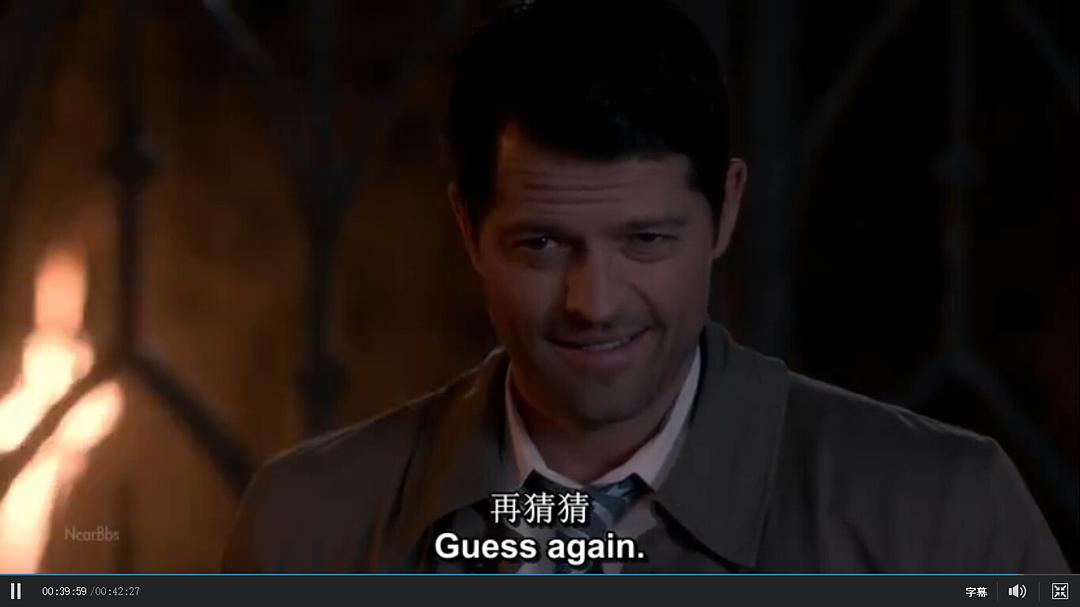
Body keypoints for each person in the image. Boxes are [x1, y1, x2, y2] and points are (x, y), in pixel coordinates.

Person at [221, 0, 1069, 573]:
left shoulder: (942, 517)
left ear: (725, 209)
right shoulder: (310, 523)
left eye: (646, 240)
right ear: (467, 228)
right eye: (542, 243)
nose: (595, 303)